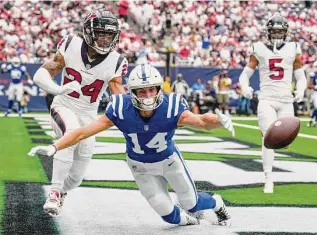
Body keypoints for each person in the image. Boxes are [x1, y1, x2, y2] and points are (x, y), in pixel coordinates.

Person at [29, 64, 234, 226]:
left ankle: (217, 202)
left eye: (151, 90)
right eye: (141, 92)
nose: (147, 97)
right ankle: (189, 221)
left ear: (159, 89)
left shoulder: (171, 106)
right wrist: (56, 146)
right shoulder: (121, 107)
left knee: (192, 203)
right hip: (139, 166)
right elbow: (82, 132)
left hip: (169, 161)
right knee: (169, 216)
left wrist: (218, 120)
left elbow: (200, 121)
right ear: (131, 92)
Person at [32, 9, 128, 217]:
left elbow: (120, 98)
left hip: (88, 115)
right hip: (64, 105)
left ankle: (63, 191)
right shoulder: (70, 44)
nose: (105, 39)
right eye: (101, 33)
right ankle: (55, 191)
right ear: (88, 32)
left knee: (77, 176)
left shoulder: (116, 61)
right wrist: (58, 89)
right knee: (71, 135)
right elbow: (41, 74)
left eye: (110, 35)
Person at [239, 13, 307, 193]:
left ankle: (273, 173)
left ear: (285, 32)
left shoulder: (293, 48)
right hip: (267, 99)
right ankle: (268, 178)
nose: (277, 34)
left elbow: (301, 76)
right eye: (274, 30)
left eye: (280, 30)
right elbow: (245, 74)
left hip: (286, 101)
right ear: (268, 32)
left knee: (285, 140)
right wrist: (245, 87)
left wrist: (301, 89)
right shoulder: (259, 48)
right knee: (267, 139)